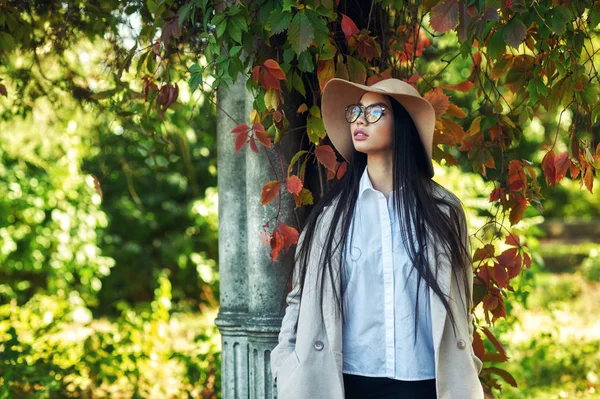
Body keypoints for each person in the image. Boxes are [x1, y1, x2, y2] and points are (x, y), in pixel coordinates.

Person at [270, 77, 484, 399]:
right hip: (346, 383)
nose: (359, 119)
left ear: (403, 125)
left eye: (374, 112)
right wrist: (285, 365)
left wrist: (466, 365)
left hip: (427, 384)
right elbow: (299, 300)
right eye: (356, 111)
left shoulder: (444, 211)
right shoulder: (330, 217)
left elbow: (461, 301)